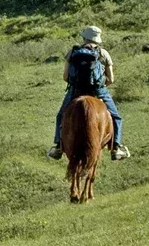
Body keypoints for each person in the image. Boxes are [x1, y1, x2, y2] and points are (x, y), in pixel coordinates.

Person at [47, 26, 130, 161]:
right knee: (116, 117)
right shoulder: (103, 53)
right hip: (98, 90)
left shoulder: (73, 52)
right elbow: (111, 79)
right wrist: (99, 85)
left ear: (84, 38)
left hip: (76, 90)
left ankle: (58, 147)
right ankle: (116, 148)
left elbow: (65, 77)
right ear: (97, 39)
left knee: (61, 115)